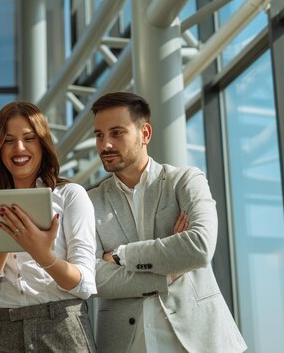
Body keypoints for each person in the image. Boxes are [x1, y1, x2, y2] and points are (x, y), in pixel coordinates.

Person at [88, 92, 246, 353]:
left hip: (199, 341)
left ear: (145, 134)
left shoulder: (185, 181)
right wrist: (169, 270)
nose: (105, 145)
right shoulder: (90, 202)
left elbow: (199, 247)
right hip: (126, 344)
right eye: (99, 135)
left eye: (117, 133)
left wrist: (121, 255)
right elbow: (92, 277)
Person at [0, 101, 97, 353]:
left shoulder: (70, 196)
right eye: (8, 140)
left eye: (29, 138)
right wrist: (4, 241)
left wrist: (43, 255)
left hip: (60, 327)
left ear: (43, 143)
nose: (19, 148)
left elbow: (84, 286)